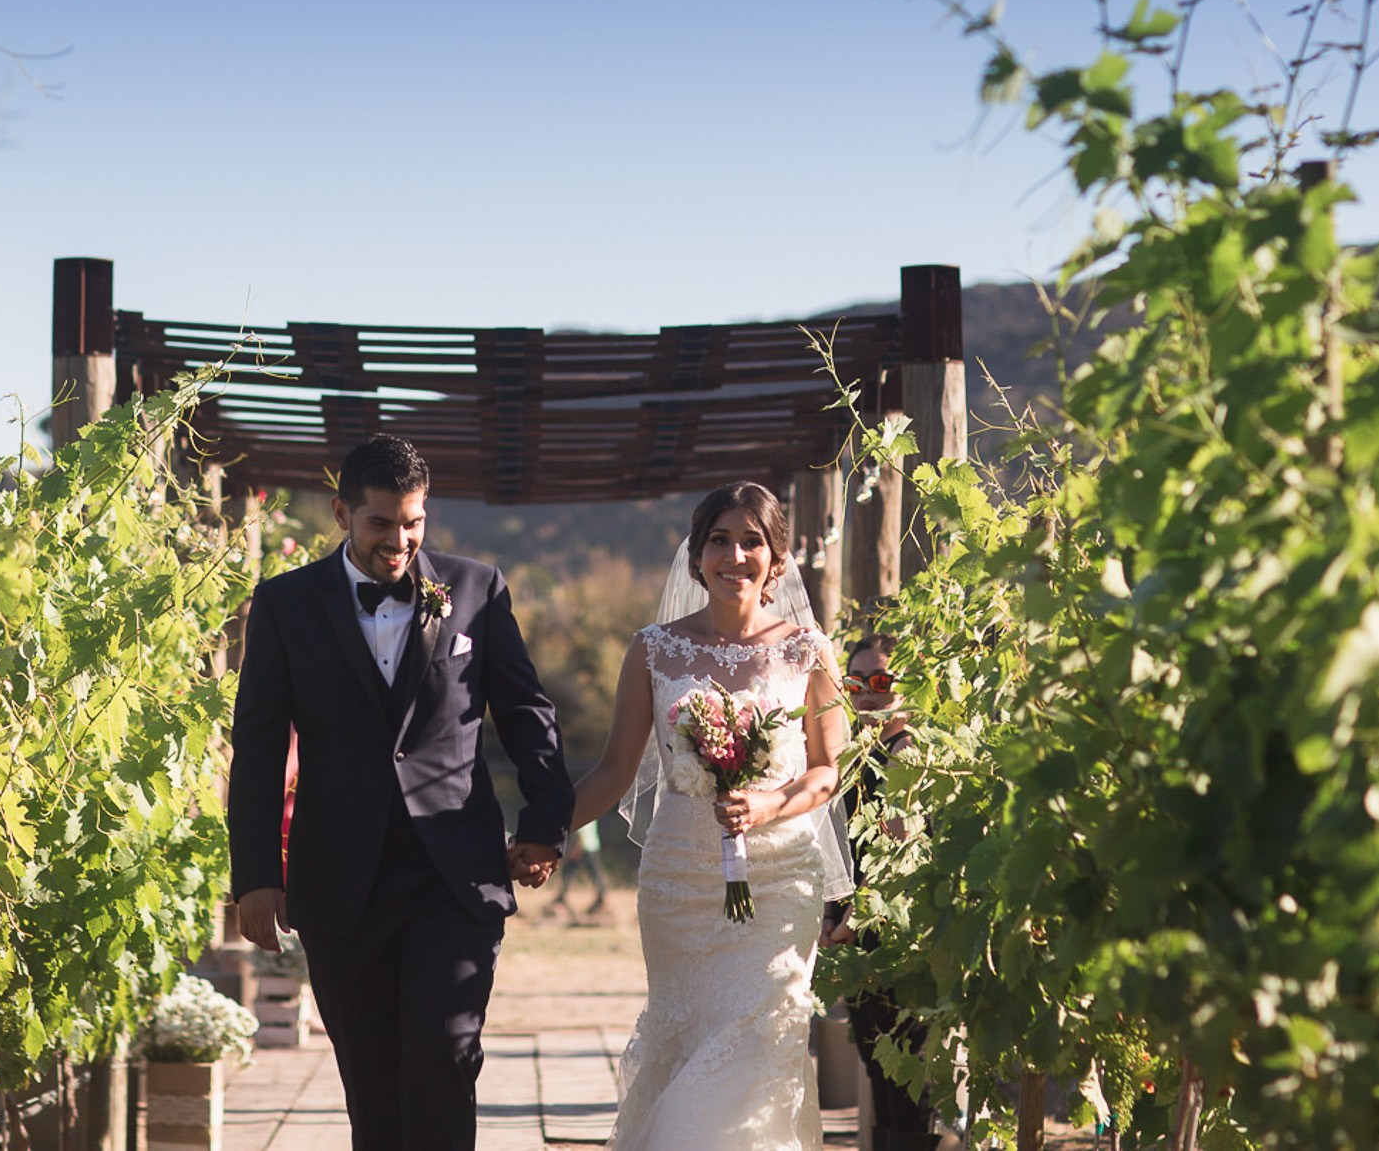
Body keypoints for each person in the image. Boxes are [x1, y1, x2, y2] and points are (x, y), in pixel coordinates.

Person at [228, 434, 575, 1151]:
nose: (399, 541)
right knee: (373, 1084)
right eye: (380, 523)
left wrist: (546, 821)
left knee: (445, 1054)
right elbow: (258, 744)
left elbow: (525, 711)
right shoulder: (285, 604)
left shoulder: (477, 589)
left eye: (413, 522)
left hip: (454, 875)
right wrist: (256, 875)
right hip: (339, 881)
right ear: (342, 514)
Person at [568, 481, 852, 1150]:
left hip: (781, 881)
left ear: (776, 558)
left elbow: (826, 770)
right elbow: (613, 771)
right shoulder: (653, 650)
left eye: (752, 541)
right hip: (679, 883)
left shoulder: (808, 650)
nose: (735, 555)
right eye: (719, 540)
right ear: (696, 556)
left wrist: (770, 803)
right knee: (686, 1044)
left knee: (761, 1042)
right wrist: (539, 831)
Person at [821, 633, 952, 1151]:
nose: (869, 694)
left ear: (908, 686)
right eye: (857, 683)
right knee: (881, 1073)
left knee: (907, 1079)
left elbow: (896, 854)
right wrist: (831, 917)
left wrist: (849, 921)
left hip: (899, 940)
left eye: (881, 681)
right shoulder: (861, 756)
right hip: (859, 936)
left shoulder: (907, 752)